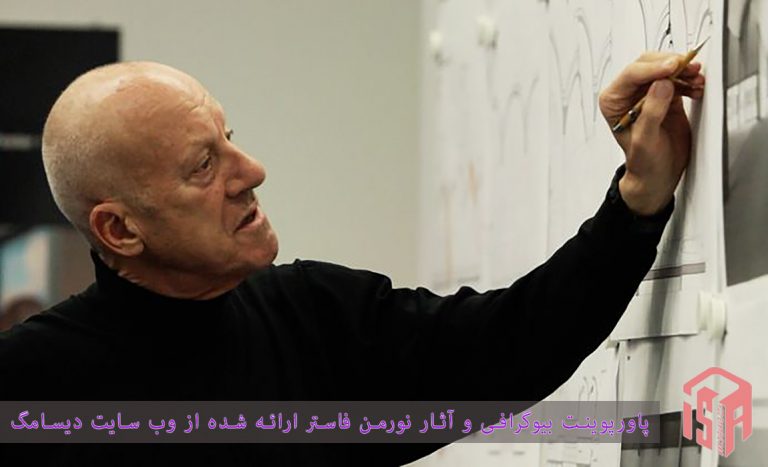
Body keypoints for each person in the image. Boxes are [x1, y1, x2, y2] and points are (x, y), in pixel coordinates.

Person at [0, 54, 704, 465]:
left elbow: (510, 342)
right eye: (203, 165)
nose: (252, 171)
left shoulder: (313, 318)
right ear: (120, 230)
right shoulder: (32, 384)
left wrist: (637, 199)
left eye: (230, 138)